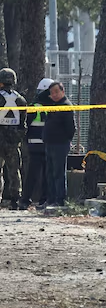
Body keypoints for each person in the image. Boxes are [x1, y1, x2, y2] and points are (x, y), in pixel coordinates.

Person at [20, 78, 54, 209]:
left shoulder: (33, 106)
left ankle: (25, 200)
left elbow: (26, 125)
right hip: (48, 145)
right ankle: (43, 200)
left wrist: (26, 140)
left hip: (34, 145)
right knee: (47, 174)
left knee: (32, 174)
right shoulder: (54, 107)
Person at [43, 81, 75, 208]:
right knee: (49, 173)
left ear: (63, 91)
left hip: (60, 144)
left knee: (58, 173)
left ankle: (60, 200)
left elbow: (71, 128)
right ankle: (50, 199)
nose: (54, 95)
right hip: (49, 143)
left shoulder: (66, 106)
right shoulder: (53, 104)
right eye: (52, 93)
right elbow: (41, 97)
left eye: (57, 91)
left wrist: (65, 140)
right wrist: (48, 93)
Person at [0, 68, 27, 209]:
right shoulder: (20, 100)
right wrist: (17, 138)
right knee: (14, 171)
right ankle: (15, 200)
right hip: (13, 142)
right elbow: (23, 124)